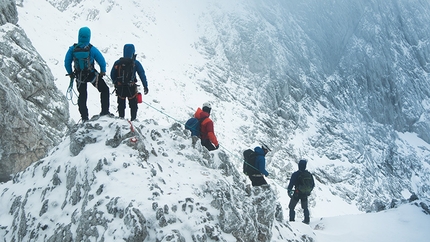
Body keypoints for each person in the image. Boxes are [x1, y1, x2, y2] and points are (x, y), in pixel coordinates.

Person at [64, 26, 111, 122]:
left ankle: (84, 117)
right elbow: (101, 60)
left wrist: (70, 73)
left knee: (82, 95)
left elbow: (67, 62)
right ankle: (105, 111)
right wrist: (102, 71)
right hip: (91, 75)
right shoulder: (91, 49)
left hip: (79, 76)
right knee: (104, 90)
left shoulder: (72, 49)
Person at [110, 44, 148, 121]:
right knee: (133, 105)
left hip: (120, 88)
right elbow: (142, 74)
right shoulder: (135, 63)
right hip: (131, 88)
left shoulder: (118, 62)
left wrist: (116, 82)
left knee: (121, 104)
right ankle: (133, 120)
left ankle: (121, 119)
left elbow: (112, 74)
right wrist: (145, 86)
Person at [287, 159, 315, 224]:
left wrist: (289, 190)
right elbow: (313, 185)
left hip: (297, 192)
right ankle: (307, 220)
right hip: (305, 193)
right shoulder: (308, 174)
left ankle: (292, 220)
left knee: (291, 207)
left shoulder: (295, 174)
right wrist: (308, 191)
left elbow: (291, 184)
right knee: (305, 207)